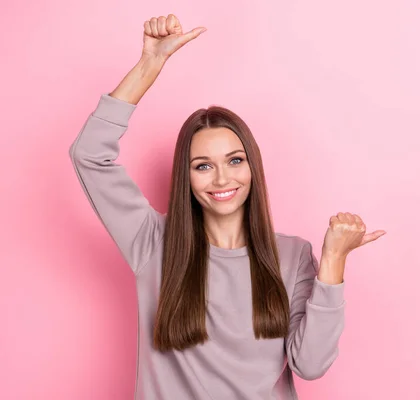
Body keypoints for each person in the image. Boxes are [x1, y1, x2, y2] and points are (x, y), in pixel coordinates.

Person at [69, 14, 386, 400]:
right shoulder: (152, 242)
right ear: (186, 177)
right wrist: (149, 65)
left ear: (253, 167)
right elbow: (89, 155)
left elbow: (311, 364)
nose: (222, 179)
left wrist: (333, 261)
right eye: (203, 166)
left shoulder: (292, 255)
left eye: (235, 161)